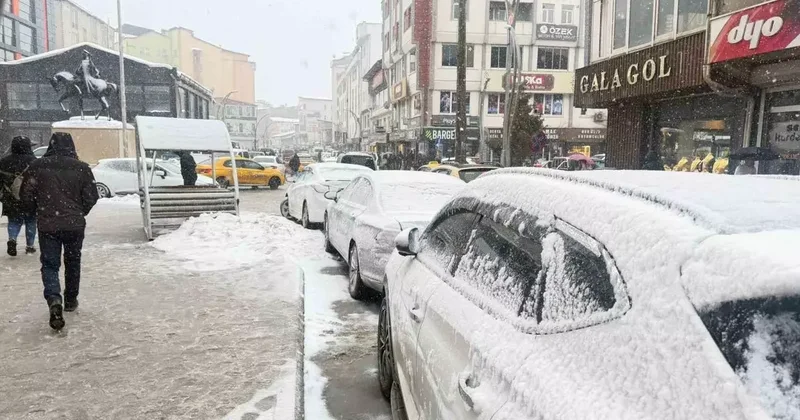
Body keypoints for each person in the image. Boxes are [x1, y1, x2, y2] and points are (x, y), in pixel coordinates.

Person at [21, 132, 99, 331]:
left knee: (49, 264)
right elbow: (92, 196)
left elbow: (26, 195)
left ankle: (54, 298)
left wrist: (37, 211)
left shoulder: (37, 166)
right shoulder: (81, 168)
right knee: (73, 262)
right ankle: (71, 299)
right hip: (74, 224)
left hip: (48, 225)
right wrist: (79, 211)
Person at [0, 136, 37, 256]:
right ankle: (30, 246)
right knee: (31, 221)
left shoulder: (4, 161)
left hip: (10, 197)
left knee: (13, 220)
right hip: (30, 198)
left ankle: (12, 239)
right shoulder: (34, 161)